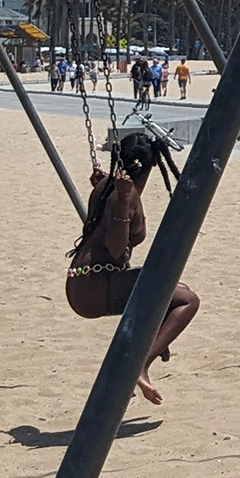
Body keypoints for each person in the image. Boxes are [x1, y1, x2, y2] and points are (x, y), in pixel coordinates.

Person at [65, 135, 201, 406]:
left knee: (176, 291)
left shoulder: (105, 186)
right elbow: (116, 248)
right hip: (95, 288)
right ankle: (140, 365)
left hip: (81, 280)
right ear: (151, 167)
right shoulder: (124, 196)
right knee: (188, 301)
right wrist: (123, 200)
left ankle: (152, 339)